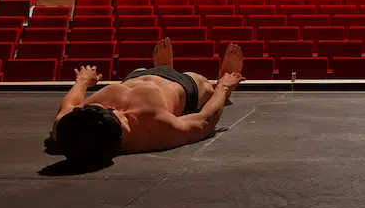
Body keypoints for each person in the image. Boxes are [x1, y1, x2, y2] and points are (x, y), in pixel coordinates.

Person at [46, 39, 245, 165]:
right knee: (205, 85)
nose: (115, 108)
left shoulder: (67, 128)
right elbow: (203, 121)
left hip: (135, 77)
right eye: (119, 116)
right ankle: (221, 77)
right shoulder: (155, 131)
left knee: (140, 70)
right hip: (180, 87)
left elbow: (69, 104)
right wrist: (223, 88)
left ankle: (163, 66)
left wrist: (83, 80)